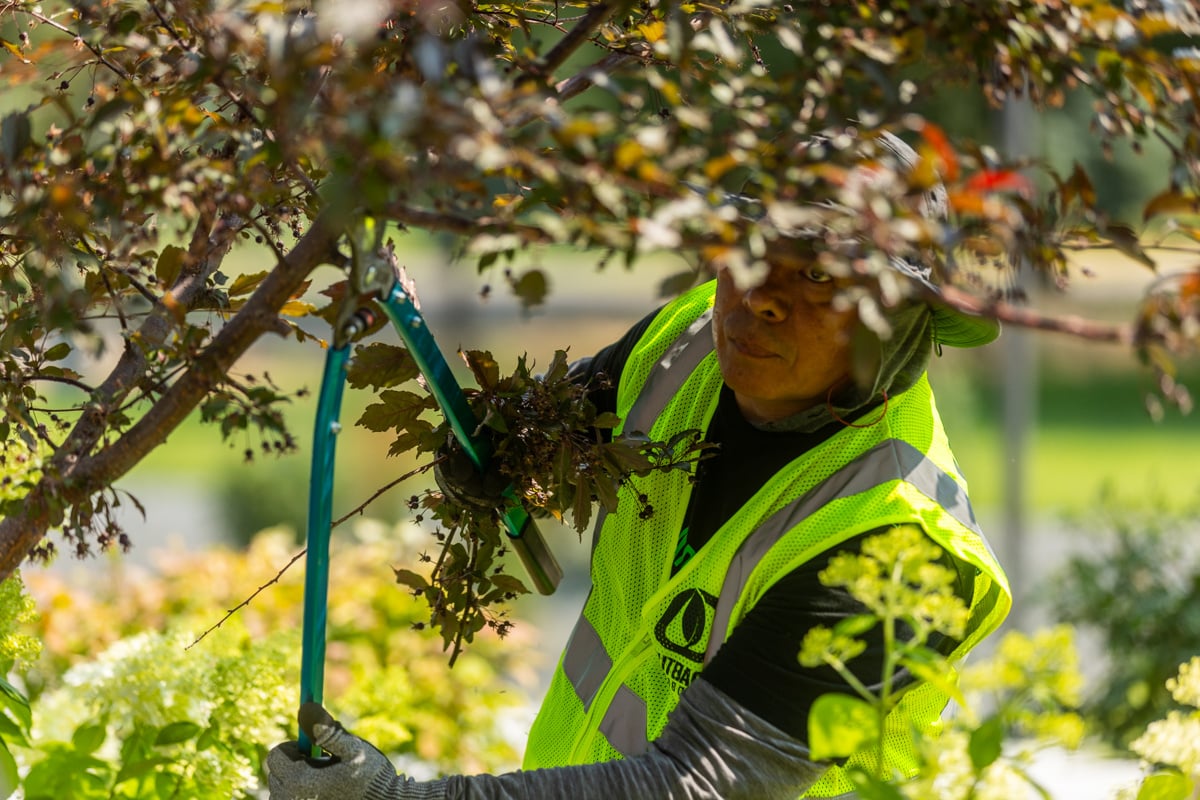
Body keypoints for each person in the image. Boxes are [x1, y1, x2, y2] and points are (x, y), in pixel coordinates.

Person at [266, 132, 1013, 799]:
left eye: (819, 277)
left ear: (902, 317)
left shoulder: (900, 553)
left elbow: (700, 784)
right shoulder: (686, 343)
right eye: (750, 251)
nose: (763, 297)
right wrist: (498, 456)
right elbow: (558, 435)